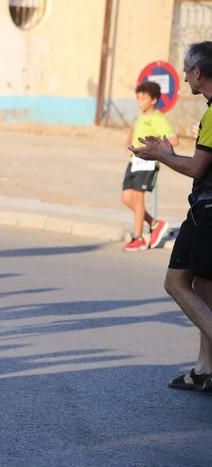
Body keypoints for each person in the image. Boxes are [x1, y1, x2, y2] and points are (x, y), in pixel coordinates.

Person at [131, 41, 212, 391]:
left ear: (197, 73)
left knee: (176, 282)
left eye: (186, 69)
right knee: (205, 289)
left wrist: (160, 156)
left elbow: (198, 167)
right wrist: (169, 151)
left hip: (208, 213)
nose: (183, 75)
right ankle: (204, 370)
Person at [120, 81, 178, 252]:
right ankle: (154, 223)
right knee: (126, 198)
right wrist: (127, 142)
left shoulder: (159, 118)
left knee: (138, 200)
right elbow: (132, 130)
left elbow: (174, 139)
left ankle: (139, 238)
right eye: (137, 98)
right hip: (134, 161)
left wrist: (156, 148)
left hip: (148, 162)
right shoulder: (140, 115)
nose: (139, 101)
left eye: (143, 98)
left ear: (153, 100)